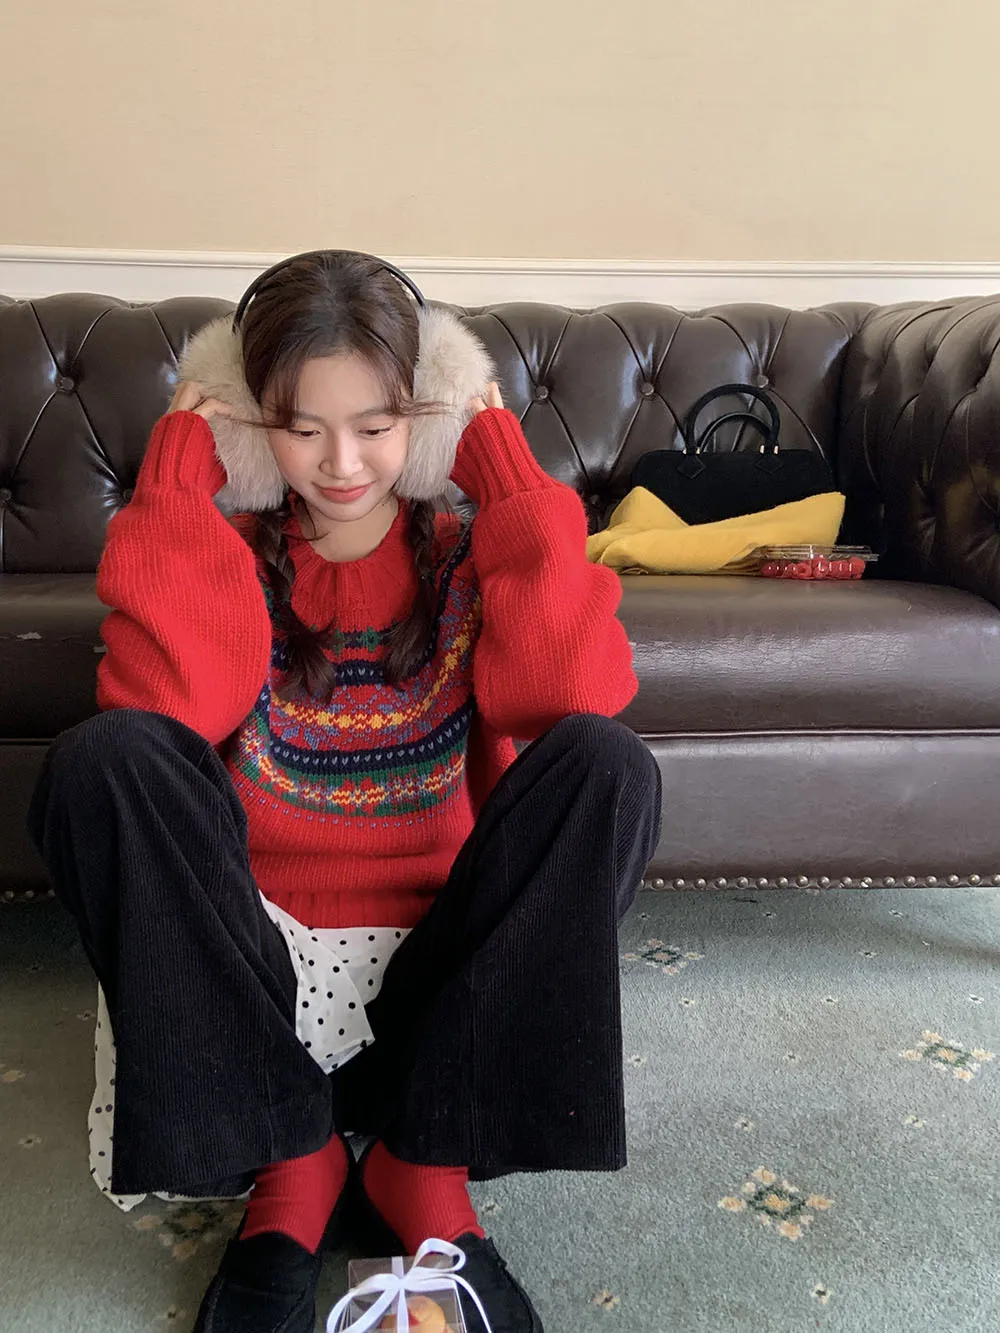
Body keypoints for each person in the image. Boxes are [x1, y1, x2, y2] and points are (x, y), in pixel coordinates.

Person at [27, 251, 663, 1333]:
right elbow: (167, 709)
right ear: (246, 426)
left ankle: (424, 1168)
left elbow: (572, 691)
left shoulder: (467, 553)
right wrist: (177, 487)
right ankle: (294, 1165)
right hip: (253, 991)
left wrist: (506, 477)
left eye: (377, 424)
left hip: (442, 992)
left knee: (609, 762)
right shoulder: (228, 553)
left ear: (432, 416)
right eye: (300, 427)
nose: (341, 462)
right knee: (107, 757)